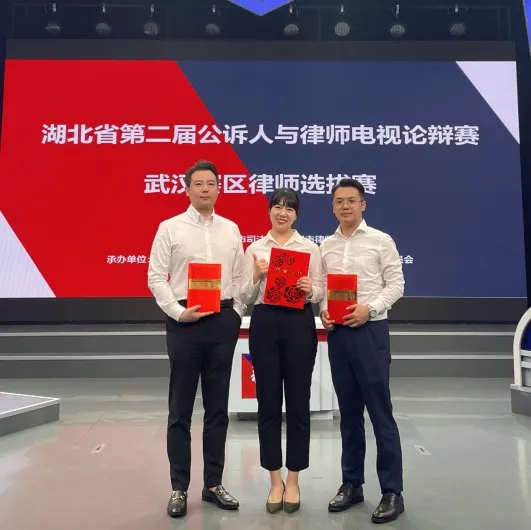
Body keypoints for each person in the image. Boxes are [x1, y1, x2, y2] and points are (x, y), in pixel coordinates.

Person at [147, 160, 245, 518]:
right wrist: (177, 312)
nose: (205, 189)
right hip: (185, 323)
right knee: (180, 410)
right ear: (187, 190)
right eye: (198, 184)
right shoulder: (170, 228)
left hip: (222, 322)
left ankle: (213, 484)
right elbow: (156, 276)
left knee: (218, 409)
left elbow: (240, 277)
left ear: (219, 189)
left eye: (211, 184)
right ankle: (179, 488)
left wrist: (236, 312)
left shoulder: (231, 229)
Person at [319, 178, 405, 524]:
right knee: (349, 414)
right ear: (333, 206)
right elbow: (323, 288)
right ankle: (352, 483)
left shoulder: (381, 240)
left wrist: (370, 308)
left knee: (381, 413)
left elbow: (396, 285)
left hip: (371, 332)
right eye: (339, 201)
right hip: (339, 335)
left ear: (363, 204)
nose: (345, 206)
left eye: (351, 200)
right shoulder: (325, 246)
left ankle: (392, 491)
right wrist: (324, 311)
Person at [240, 188, 324, 514]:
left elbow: (321, 291)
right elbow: (245, 295)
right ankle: (274, 480)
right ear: (269, 211)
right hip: (265, 323)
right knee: (268, 403)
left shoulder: (310, 248)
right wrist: (256, 276)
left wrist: (311, 289)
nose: (283, 213)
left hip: (299, 322)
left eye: (289, 208)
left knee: (299, 403)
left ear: (296, 215)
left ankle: (293, 479)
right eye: (277, 206)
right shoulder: (255, 248)